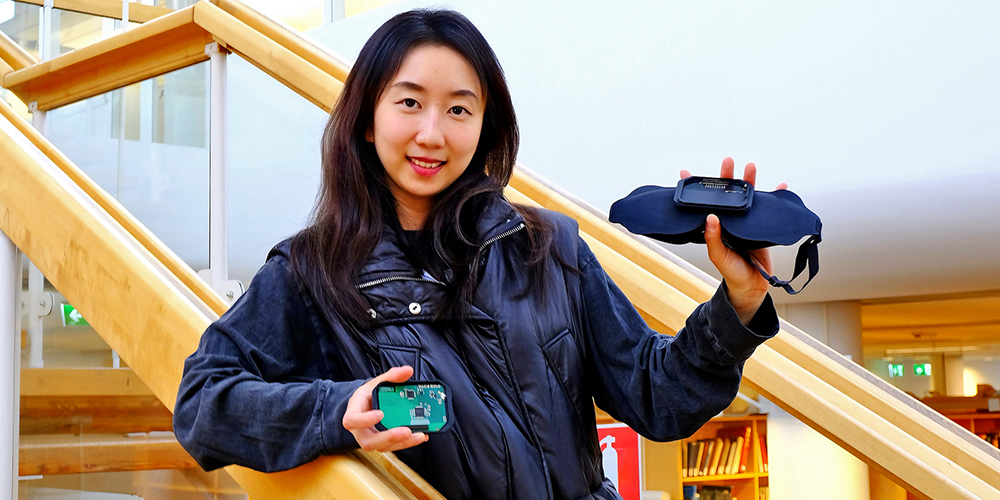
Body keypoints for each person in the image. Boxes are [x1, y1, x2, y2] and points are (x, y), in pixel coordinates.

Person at [173, 9, 780, 500]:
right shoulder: (310, 272)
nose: (432, 133)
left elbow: (658, 396)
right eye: (408, 102)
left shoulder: (551, 247)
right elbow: (203, 404)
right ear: (366, 119)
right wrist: (336, 409)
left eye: (459, 109)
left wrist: (739, 303)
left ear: (486, 127)